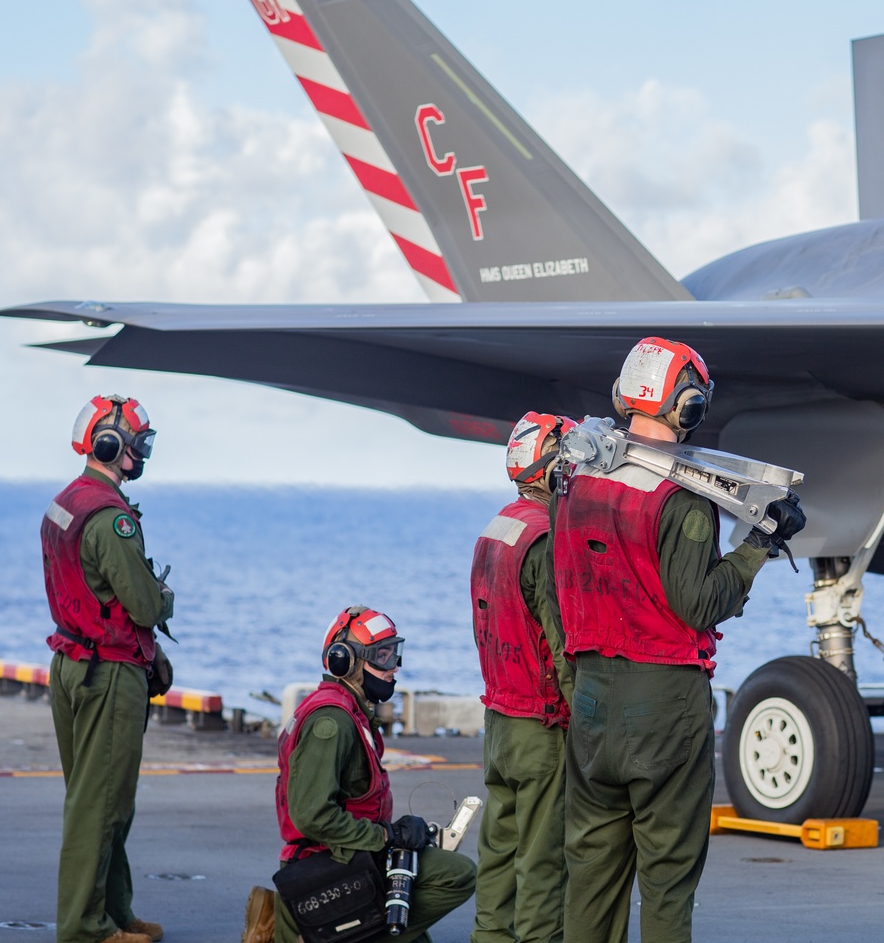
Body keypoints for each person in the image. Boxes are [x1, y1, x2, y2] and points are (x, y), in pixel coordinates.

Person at [549, 337, 806, 943]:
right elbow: (700, 604)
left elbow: (564, 589)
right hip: (662, 700)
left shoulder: (576, 481)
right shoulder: (684, 497)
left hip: (591, 700)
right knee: (666, 880)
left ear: (624, 396)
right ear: (686, 408)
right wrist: (759, 544)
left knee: (590, 876)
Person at [242, 605, 477, 943]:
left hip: (350, 853)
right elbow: (311, 815)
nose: (393, 667)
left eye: (394, 653)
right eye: (382, 656)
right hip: (328, 863)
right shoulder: (330, 724)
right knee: (458, 874)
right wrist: (386, 837)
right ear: (344, 661)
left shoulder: (350, 710)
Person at [41, 395, 175, 943]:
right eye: (135, 443)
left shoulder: (65, 502)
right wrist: (164, 597)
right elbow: (143, 606)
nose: (140, 453)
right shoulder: (112, 517)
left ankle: (115, 912)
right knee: (101, 807)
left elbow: (92, 598)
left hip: (72, 663)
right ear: (108, 445)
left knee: (97, 800)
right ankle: (86, 928)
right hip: (108, 676)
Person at [469, 412, 576, 943]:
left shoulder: (495, 531)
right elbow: (561, 647)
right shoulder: (546, 539)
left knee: (498, 855)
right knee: (541, 864)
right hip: (540, 726)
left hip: (500, 723)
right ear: (547, 468)